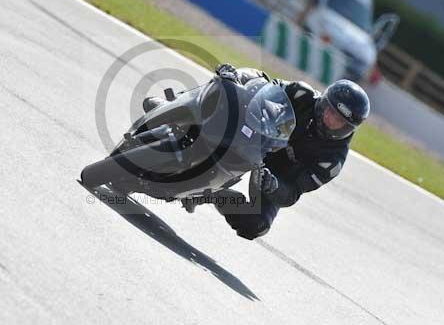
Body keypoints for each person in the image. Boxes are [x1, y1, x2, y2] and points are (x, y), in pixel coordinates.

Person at [142, 63, 370, 240]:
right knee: (232, 87)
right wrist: (236, 77)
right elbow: (265, 87)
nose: (330, 119)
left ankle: (212, 194)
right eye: (330, 111)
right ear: (325, 101)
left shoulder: (332, 160)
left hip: (275, 173)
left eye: (339, 120)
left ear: (348, 128)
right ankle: (173, 105)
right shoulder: (302, 94)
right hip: (260, 136)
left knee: (257, 225)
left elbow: (293, 193)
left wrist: (275, 186)